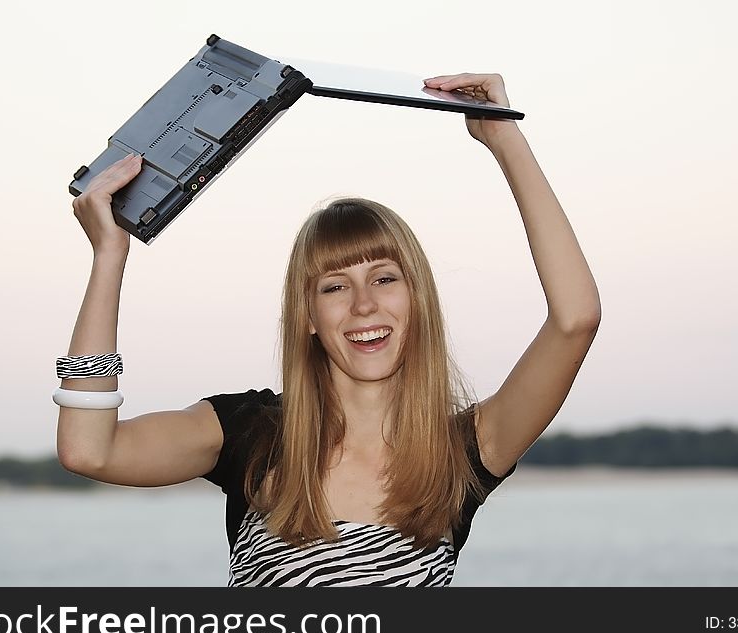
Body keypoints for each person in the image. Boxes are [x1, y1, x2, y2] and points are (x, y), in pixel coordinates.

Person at [56, 72, 601, 586]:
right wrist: (109, 257)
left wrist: (504, 138)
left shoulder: (461, 452)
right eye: (335, 286)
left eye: (384, 279)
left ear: (419, 300)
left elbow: (576, 320)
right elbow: (90, 450)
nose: (363, 306)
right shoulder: (251, 432)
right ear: (308, 316)